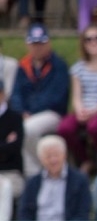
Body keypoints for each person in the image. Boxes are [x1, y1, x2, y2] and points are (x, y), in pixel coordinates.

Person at [10, 24, 70, 177]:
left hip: (52, 114)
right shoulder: (23, 66)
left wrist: (31, 112)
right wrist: (21, 111)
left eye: (41, 43)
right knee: (17, 127)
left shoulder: (59, 66)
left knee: (27, 129)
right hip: (26, 115)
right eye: (34, 43)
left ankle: (37, 171)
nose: (37, 47)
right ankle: (31, 170)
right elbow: (16, 94)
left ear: (48, 43)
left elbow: (56, 97)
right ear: (28, 44)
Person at [57, 26, 97, 168]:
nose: (93, 42)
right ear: (84, 43)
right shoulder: (78, 67)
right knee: (64, 128)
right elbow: (76, 95)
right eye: (88, 39)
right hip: (83, 110)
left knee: (95, 128)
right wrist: (80, 110)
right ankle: (85, 160)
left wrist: (95, 111)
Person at [17, 135, 91, 221]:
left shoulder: (80, 180)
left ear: (64, 155)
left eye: (56, 155)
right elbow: (24, 214)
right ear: (40, 158)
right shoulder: (32, 182)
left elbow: (82, 213)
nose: (53, 160)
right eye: (48, 156)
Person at [0, 78, 24, 221]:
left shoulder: (14, 118)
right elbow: (7, 149)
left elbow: (15, 148)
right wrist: (4, 145)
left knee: (6, 188)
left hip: (10, 171)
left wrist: (6, 149)